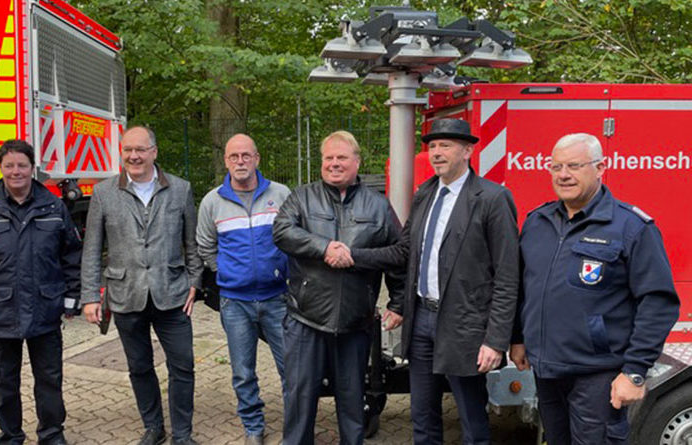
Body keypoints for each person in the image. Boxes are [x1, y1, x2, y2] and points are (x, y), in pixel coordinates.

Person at [350, 118, 520, 445]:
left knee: (471, 418)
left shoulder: (492, 198)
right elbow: (405, 251)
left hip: (466, 325)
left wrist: (496, 340)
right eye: (432, 146)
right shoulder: (426, 193)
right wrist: (353, 255)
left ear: (467, 151)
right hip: (422, 320)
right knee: (423, 414)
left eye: (445, 146)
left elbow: (507, 275)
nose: (436, 153)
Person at [510, 133, 679, 444]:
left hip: (598, 375)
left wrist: (635, 371)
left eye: (574, 166)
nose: (563, 175)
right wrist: (518, 338)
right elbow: (524, 287)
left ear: (601, 167)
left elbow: (658, 302)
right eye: (556, 166)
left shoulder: (630, 227)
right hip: (546, 371)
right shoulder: (537, 222)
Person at [272, 130, 405, 445]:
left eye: (341, 157)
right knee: (300, 399)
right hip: (306, 319)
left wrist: (398, 302)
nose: (334, 163)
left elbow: (397, 254)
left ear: (357, 162)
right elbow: (282, 231)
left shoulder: (378, 205)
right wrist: (324, 247)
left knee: (352, 400)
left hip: (355, 322)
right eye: (328, 157)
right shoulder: (302, 197)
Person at [0, 139, 81, 445]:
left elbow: (72, 256)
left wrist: (71, 299)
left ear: (32, 168)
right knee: (4, 383)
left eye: (22, 165)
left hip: (45, 311)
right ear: (0, 168)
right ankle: (10, 436)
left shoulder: (54, 207)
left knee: (49, 380)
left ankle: (52, 434)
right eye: (9, 166)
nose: (15, 171)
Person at [80, 126, 202, 445]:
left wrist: (195, 281)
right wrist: (90, 296)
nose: (133, 156)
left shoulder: (180, 189)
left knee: (183, 365)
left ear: (154, 152)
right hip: (125, 294)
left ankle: (183, 435)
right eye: (127, 150)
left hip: (172, 293)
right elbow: (92, 248)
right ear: (121, 152)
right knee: (139, 366)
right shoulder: (104, 193)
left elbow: (192, 243)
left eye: (140, 149)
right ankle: (153, 427)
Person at [196, 134, 290, 445]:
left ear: (257, 158)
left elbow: (294, 238)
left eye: (246, 155)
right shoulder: (212, 202)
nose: (240, 161)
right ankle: (253, 427)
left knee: (291, 368)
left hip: (277, 298)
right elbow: (205, 246)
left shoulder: (281, 194)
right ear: (226, 161)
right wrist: (227, 272)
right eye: (234, 156)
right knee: (243, 372)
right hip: (235, 302)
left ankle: (296, 425)